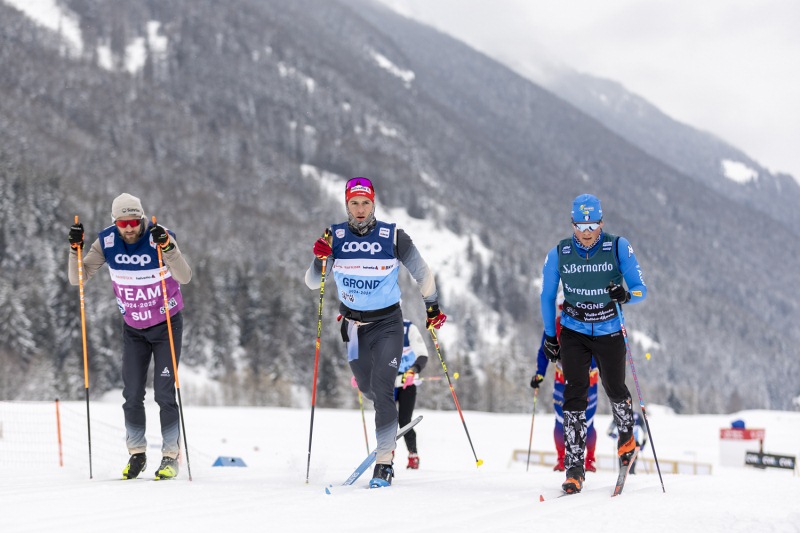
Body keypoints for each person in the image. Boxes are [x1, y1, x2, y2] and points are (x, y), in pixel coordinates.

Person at [305, 177, 446, 488]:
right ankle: (387, 420)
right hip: (354, 329)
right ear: (346, 204)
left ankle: (384, 461)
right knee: (368, 389)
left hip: (388, 324)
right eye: (353, 203)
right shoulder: (335, 236)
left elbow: (422, 273)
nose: (359, 209)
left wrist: (432, 308)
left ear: (374, 203)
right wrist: (319, 259)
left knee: (382, 391)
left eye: (365, 202)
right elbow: (314, 282)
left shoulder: (392, 236)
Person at [68, 193, 192, 480]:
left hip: (166, 326)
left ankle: (170, 456)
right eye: (123, 222)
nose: (129, 228)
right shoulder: (107, 242)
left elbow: (184, 276)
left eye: (134, 221)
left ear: (142, 218)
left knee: (163, 393)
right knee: (132, 393)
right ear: (115, 222)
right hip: (133, 329)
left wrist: (168, 248)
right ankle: (137, 454)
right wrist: (75, 249)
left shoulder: (159, 238)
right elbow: (79, 277)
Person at [539, 193, 647, 494]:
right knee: (575, 393)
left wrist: (626, 295)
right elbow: (547, 296)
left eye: (593, 225)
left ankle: (627, 442)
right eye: (581, 226)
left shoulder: (618, 247)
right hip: (574, 331)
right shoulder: (559, 253)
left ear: (601, 222)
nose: (587, 233)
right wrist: (550, 335)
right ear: (572, 223)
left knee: (614, 387)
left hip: (610, 329)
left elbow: (641, 289)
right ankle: (575, 467)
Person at [347, 316, 429, 469]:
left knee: (404, 420)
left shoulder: (408, 328)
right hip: (386, 380)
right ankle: (387, 454)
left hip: (405, 382)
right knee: (386, 417)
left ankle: (413, 453)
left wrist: (414, 370)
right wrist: (360, 374)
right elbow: (368, 355)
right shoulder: (375, 325)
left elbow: (422, 354)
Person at [530, 299, 599, 472]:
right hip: (581, 380)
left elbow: (544, 351)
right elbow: (545, 350)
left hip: (573, 379)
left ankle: (577, 460)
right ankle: (580, 460)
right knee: (580, 421)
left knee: (569, 421)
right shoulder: (589, 321)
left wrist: (540, 373)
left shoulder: (559, 324)